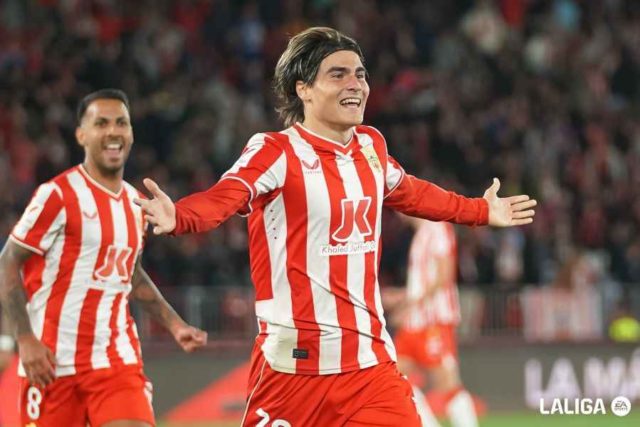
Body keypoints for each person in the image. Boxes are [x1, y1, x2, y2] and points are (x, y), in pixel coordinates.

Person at [135, 27, 536, 426]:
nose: (356, 84)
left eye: (360, 74)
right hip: (292, 371)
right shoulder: (275, 151)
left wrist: (480, 211)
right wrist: (180, 217)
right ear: (303, 90)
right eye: (338, 74)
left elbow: (413, 193)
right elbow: (227, 195)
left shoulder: (369, 146)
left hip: (369, 366)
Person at [0, 89, 208, 427]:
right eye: (101, 123)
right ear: (82, 135)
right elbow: (8, 261)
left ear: (131, 133)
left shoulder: (136, 204)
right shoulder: (57, 196)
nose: (113, 131)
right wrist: (25, 339)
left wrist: (174, 324)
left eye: (121, 123)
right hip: (52, 361)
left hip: (115, 360)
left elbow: (132, 275)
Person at [389, 218, 478, 427]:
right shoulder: (420, 235)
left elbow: (443, 276)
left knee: (446, 382)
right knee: (398, 378)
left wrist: (409, 305)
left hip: (434, 319)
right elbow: (421, 283)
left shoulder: (438, 228)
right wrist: (401, 298)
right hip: (414, 322)